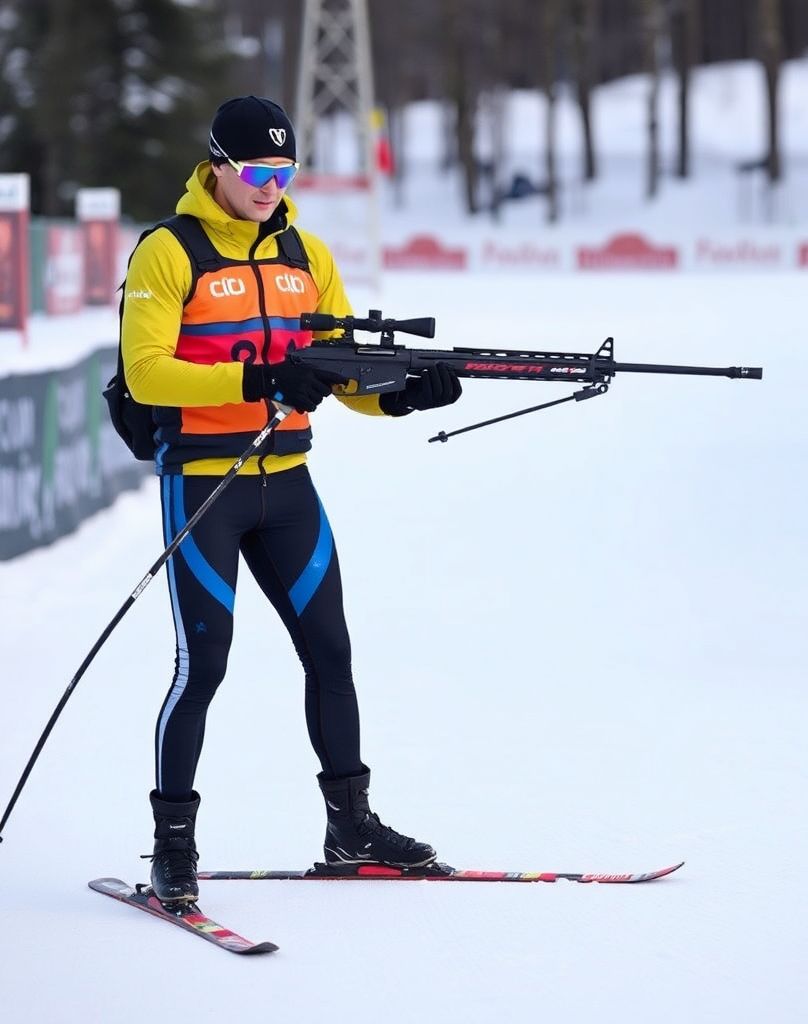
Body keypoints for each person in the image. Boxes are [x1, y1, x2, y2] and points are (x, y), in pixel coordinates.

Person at [120, 96, 462, 903]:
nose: (272, 186)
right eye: (258, 172)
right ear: (217, 167)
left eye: (285, 172)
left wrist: (405, 397)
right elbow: (146, 371)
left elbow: (342, 378)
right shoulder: (170, 251)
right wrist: (260, 376)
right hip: (206, 486)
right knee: (201, 666)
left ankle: (351, 828)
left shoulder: (306, 254)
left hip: (289, 483)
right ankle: (174, 845)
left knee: (331, 654)